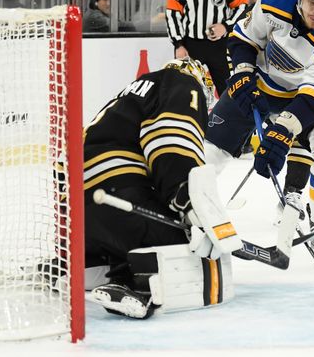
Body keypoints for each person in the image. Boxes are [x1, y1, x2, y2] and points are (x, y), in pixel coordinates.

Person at [203, 0, 314, 270]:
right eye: (312, 1)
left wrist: (283, 130)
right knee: (208, 150)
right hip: (259, 83)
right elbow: (245, 38)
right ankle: (187, 212)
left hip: (304, 97)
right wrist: (244, 74)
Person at [85, 58, 241, 319]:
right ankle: (135, 286)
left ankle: (73, 269)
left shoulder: (132, 91)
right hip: (116, 193)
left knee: (121, 240)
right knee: (189, 248)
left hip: (75, 211)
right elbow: (172, 145)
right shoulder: (182, 83)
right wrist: (190, 206)